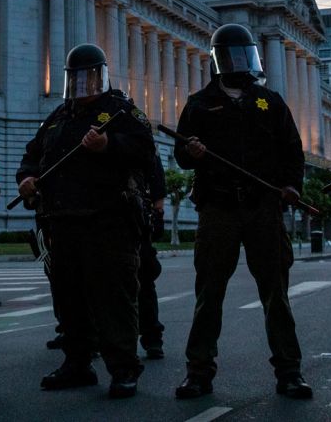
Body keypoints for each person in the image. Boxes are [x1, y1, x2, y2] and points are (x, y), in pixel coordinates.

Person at [173, 23, 312, 401]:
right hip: (218, 208)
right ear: (218, 60)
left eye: (242, 54)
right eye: (229, 55)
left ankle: (289, 371)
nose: (237, 62)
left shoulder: (270, 101)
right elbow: (181, 154)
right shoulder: (199, 104)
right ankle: (198, 372)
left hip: (262, 208)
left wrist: (291, 186)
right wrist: (192, 152)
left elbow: (292, 151)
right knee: (209, 294)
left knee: (276, 293)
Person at [17, 44, 155, 399]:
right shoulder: (58, 116)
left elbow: (144, 149)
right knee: (69, 298)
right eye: (77, 78)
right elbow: (32, 155)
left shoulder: (121, 111)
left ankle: (123, 369)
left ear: (102, 75)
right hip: (62, 221)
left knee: (113, 298)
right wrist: (26, 179)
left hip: (108, 221)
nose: (84, 84)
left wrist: (108, 145)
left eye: (90, 76)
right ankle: (77, 363)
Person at [138, 151, 167, 360]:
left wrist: (158, 212)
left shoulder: (135, 127)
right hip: (100, 219)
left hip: (135, 219)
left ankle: (152, 337)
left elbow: (156, 176)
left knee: (145, 279)